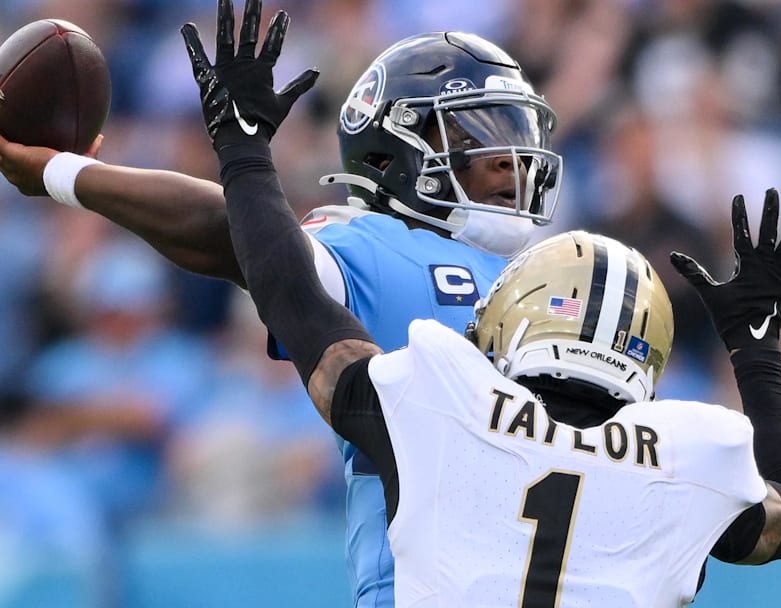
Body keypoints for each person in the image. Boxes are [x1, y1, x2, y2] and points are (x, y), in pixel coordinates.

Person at [183, 1, 781, 604]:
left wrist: (244, 151)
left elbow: (293, 298)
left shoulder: (446, 404)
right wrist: (755, 349)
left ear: (510, 319)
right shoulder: (685, 451)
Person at [0, 0, 562, 605]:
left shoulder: (566, 272)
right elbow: (234, 234)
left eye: (515, 131)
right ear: (390, 151)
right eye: (475, 131)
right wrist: (66, 173)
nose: (508, 155)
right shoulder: (378, 246)